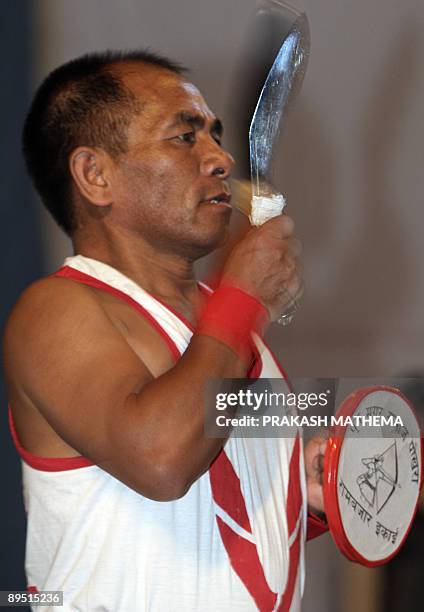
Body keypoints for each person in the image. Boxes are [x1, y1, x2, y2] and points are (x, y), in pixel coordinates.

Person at [3, 50, 328, 611]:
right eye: (185, 137)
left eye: (216, 135)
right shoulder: (55, 308)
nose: (221, 158)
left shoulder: (232, 327)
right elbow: (160, 459)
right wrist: (244, 297)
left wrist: (308, 491)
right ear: (95, 175)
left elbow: (214, 519)